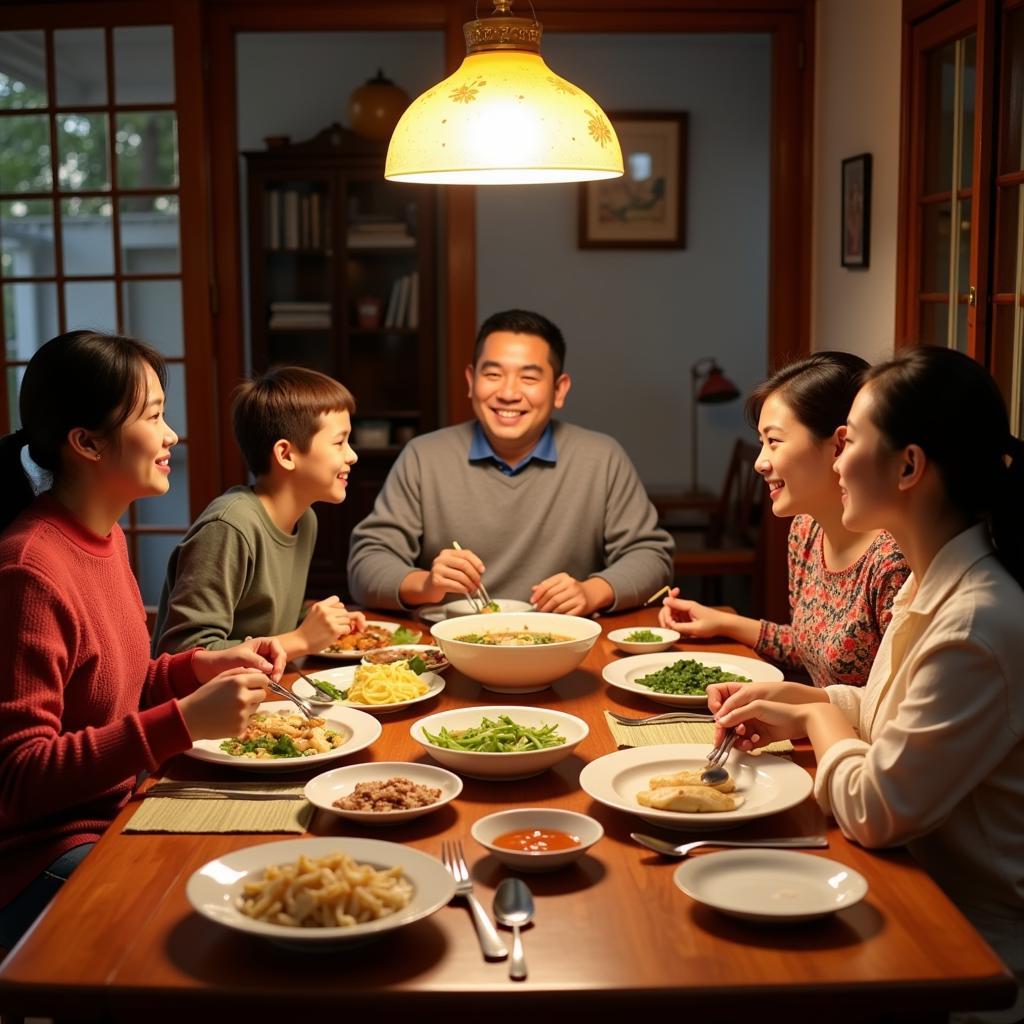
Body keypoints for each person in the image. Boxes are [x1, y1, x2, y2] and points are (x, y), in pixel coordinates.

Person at [709, 346, 1024, 1019]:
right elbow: (886, 713)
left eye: (850, 441)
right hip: (913, 894)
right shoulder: (931, 581)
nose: (838, 459)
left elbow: (877, 809)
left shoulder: (977, 622)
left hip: (966, 947)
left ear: (909, 466)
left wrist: (820, 722)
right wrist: (807, 703)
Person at [0, 330, 285, 949]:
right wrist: (181, 721)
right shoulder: (29, 567)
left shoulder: (106, 537)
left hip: (123, 810)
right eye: (154, 416)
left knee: (281, 864)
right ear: (86, 443)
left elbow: (116, 686)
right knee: (226, 933)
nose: (172, 435)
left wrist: (198, 669)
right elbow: (18, 778)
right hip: (43, 858)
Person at [347, 309, 673, 615]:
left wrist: (591, 592)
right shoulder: (424, 456)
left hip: (564, 644)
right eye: (493, 374)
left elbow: (651, 556)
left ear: (559, 390)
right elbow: (367, 562)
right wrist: (426, 584)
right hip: (451, 646)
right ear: (471, 381)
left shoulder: (601, 458)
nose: (508, 393)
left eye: (528, 378)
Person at [659, 353, 909, 687]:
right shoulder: (806, 530)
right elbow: (809, 647)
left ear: (839, 445)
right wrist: (722, 622)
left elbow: (888, 710)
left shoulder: (893, 563)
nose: (760, 462)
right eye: (761, 443)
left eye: (774, 442)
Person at [152, 366, 365, 657]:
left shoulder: (305, 520)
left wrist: (317, 622)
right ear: (286, 454)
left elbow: (261, 623)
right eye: (339, 442)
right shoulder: (229, 527)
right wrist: (301, 640)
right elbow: (183, 653)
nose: (352, 455)